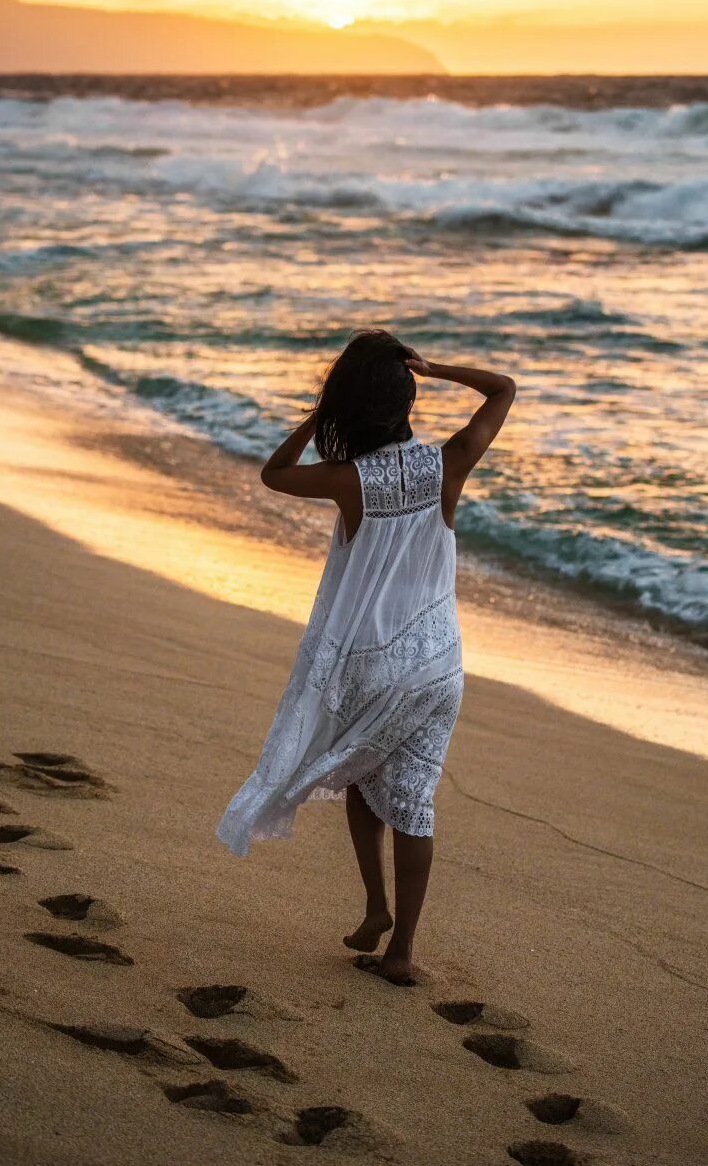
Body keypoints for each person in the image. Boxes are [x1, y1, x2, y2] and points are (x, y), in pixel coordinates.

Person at [217, 329, 515, 984]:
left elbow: (273, 474)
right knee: (413, 801)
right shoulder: (449, 463)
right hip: (439, 666)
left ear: (350, 406)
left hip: (374, 669)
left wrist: (316, 416)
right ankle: (399, 943)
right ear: (406, 395)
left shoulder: (349, 478)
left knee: (363, 775)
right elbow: (503, 389)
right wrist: (435, 368)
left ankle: (377, 905)